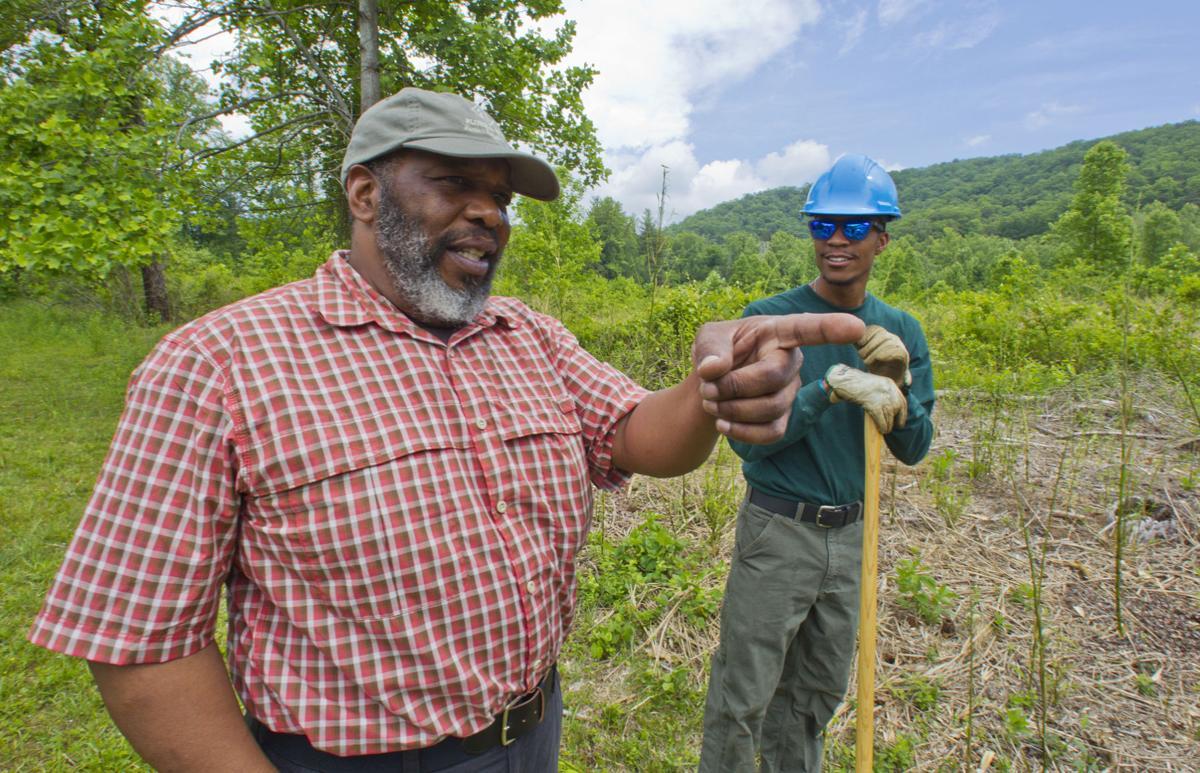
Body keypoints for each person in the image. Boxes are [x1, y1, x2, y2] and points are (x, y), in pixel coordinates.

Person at [29, 87, 866, 772]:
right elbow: (140, 642)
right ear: (364, 193)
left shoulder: (527, 335)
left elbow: (640, 436)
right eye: (450, 184)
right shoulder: (218, 363)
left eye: (498, 197)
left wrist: (709, 386)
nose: (488, 214)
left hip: (529, 734)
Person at [699, 154, 936, 772]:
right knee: (742, 696)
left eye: (856, 228)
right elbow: (747, 444)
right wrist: (827, 388)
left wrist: (898, 392)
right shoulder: (768, 320)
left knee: (813, 699)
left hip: (853, 537)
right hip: (779, 532)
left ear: (882, 238)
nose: (836, 239)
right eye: (823, 225)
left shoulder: (899, 331)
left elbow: (914, 448)